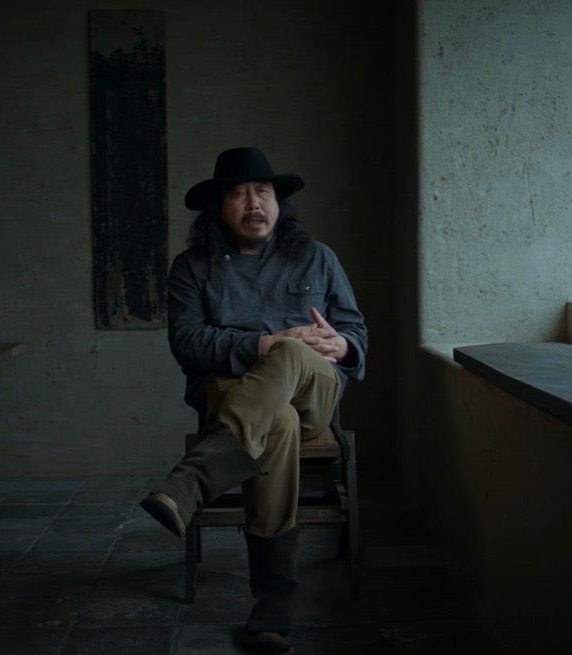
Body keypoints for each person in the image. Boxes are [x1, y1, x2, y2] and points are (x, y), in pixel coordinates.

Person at [141, 146, 368, 653]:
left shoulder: (317, 257)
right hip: (236, 395)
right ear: (218, 207)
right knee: (277, 421)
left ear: (278, 203)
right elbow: (187, 343)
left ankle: (193, 480)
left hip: (315, 392)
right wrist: (264, 344)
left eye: (263, 192)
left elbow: (356, 332)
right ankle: (272, 606)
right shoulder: (192, 267)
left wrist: (342, 345)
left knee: (293, 356)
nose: (253, 204)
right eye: (238, 194)